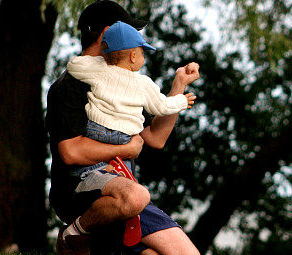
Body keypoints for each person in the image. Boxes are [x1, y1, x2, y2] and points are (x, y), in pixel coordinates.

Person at [46, 0, 202, 255]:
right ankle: (75, 235)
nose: (138, 45)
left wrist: (178, 86)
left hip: (122, 188)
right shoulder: (69, 85)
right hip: (80, 191)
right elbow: (70, 152)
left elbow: (155, 137)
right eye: (132, 34)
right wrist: (126, 150)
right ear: (109, 33)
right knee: (134, 197)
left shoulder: (125, 82)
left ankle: (111, 242)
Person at [65, 20, 197, 211]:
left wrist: (104, 60)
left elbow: (74, 65)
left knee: (93, 164)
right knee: (126, 168)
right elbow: (162, 106)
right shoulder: (143, 83)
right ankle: (121, 181)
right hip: (122, 137)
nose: (143, 57)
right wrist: (182, 101)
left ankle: (89, 176)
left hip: (95, 131)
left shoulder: (99, 71)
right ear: (134, 56)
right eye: (143, 53)